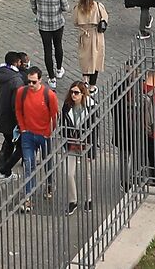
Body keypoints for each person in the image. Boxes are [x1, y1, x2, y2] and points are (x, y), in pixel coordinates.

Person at [13, 63, 59, 192]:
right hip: (27, 134)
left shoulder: (49, 95)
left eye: (33, 82)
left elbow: (54, 116)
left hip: (44, 135)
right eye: (29, 82)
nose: (30, 85)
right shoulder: (21, 92)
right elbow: (18, 110)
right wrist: (23, 128)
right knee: (28, 165)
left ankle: (49, 186)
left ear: (40, 80)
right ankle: (29, 193)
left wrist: (48, 132)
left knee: (47, 163)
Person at [56, 78, 98, 211]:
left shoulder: (91, 107)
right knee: (68, 173)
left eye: (76, 93)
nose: (73, 95)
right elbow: (62, 124)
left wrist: (92, 151)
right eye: (72, 92)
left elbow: (95, 129)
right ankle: (72, 201)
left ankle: (89, 199)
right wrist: (66, 139)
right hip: (72, 144)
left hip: (86, 144)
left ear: (83, 94)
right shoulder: (67, 105)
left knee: (88, 174)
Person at [29, 0, 68, 78]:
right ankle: (59, 69)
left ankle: (51, 78)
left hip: (43, 24)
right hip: (57, 23)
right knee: (58, 46)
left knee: (47, 49)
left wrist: (39, 13)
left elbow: (33, 6)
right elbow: (66, 7)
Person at [72, 0, 107, 88]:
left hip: (84, 36)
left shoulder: (77, 8)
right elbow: (105, 18)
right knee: (96, 59)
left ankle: (85, 80)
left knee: (85, 59)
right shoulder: (97, 6)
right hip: (96, 35)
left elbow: (75, 21)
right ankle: (92, 85)